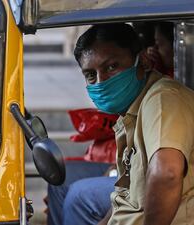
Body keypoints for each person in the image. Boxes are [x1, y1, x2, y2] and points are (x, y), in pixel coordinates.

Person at [72, 23, 193, 225]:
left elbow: (167, 174)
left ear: (143, 61)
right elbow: (125, 200)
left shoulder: (163, 99)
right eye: (91, 75)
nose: (101, 82)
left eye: (111, 67)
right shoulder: (132, 112)